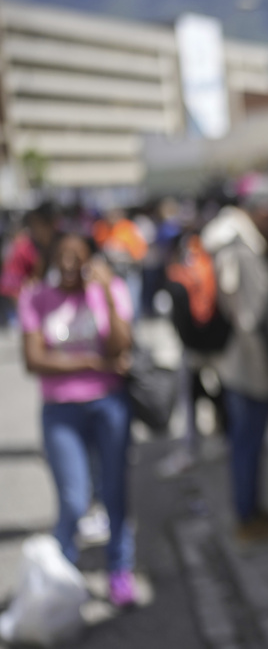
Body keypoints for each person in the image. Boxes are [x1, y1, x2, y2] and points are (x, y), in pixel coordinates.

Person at [18, 233, 137, 606]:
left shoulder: (111, 289)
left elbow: (121, 347)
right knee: (74, 499)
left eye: (77, 257)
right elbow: (33, 360)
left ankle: (120, 571)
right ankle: (62, 574)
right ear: (52, 259)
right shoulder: (35, 297)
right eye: (62, 257)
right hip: (61, 410)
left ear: (90, 259)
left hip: (108, 405)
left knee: (115, 492)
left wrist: (106, 298)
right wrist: (90, 362)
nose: (69, 264)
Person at [202, 188, 268, 544]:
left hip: (233, 362)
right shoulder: (242, 249)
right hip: (248, 367)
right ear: (264, 213)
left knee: (245, 445)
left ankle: (250, 511)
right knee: (247, 446)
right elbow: (252, 320)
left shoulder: (228, 243)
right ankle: (248, 519)